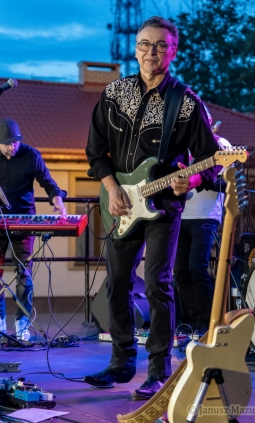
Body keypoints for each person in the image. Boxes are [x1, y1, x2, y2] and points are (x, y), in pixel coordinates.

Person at [84, 16, 221, 400]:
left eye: (160, 45)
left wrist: (190, 180)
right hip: (121, 204)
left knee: (160, 286)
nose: (151, 51)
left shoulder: (187, 103)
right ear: (135, 48)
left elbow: (212, 162)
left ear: (173, 51)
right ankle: (121, 361)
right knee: (116, 285)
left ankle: (158, 370)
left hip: (164, 207)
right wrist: (111, 188)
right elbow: (95, 153)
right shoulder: (114, 94)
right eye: (145, 44)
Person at [0, 118, 67, 341]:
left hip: (24, 220)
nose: (13, 146)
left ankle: (22, 322)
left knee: (23, 271)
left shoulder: (31, 155)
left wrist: (57, 200)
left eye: (16, 142)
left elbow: (48, 183)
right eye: (7, 143)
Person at [173, 113, 231, 337]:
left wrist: (199, 179)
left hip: (206, 215)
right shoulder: (182, 147)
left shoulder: (220, 145)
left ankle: (206, 323)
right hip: (181, 215)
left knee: (197, 268)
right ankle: (191, 320)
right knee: (180, 272)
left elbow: (227, 183)